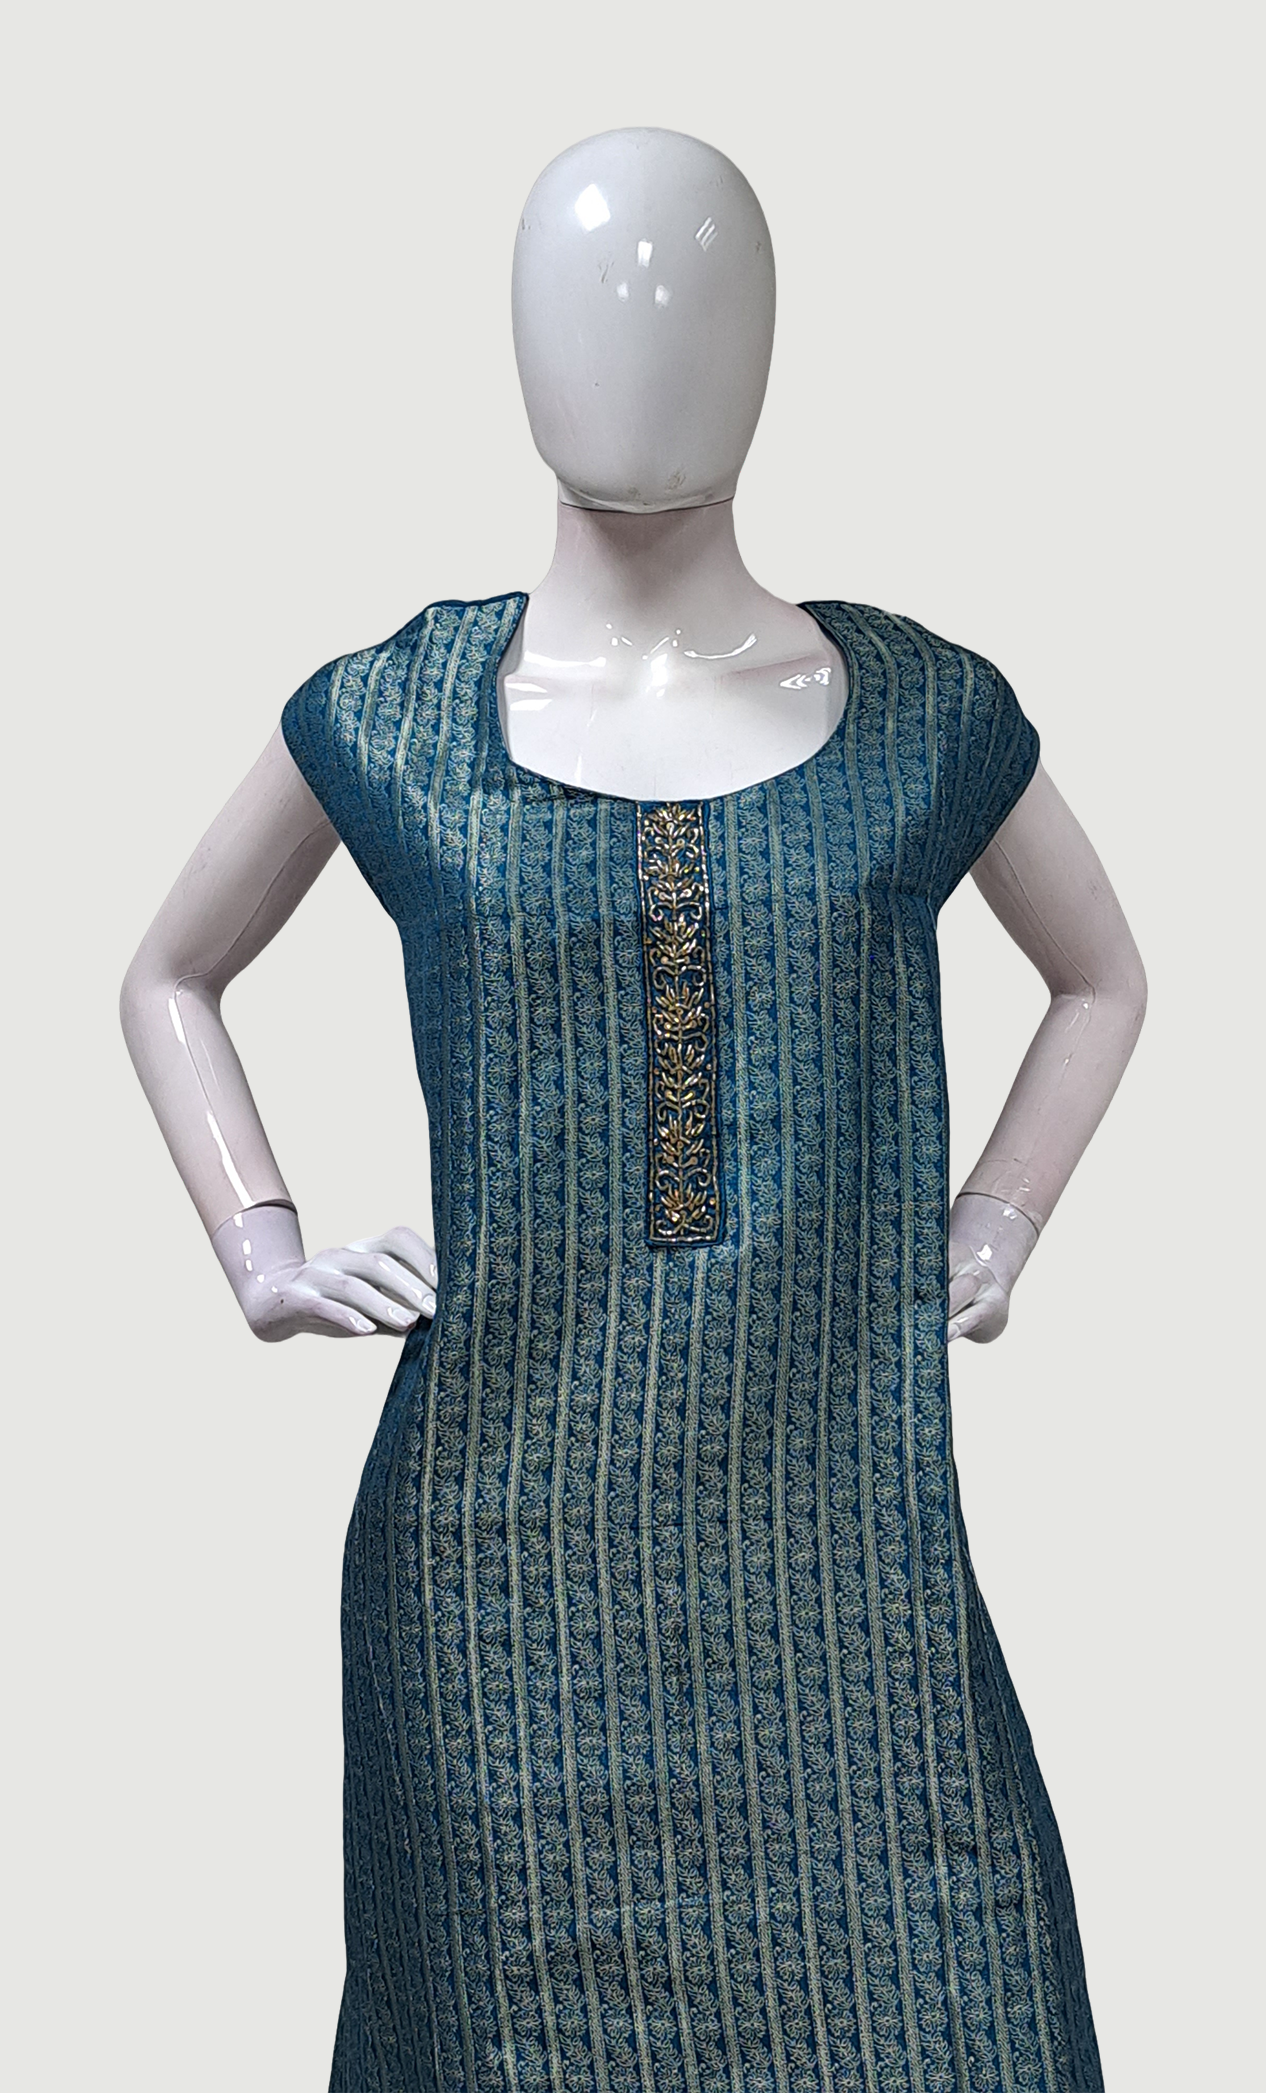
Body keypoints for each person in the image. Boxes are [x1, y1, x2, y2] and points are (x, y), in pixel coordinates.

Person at [122, 126, 1144, 2093]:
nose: (640, 346)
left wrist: (999, 1216)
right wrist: (261, 1244)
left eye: (694, 301)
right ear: (514, 345)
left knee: (961, 2002)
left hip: (843, 1562)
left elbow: (1102, 975)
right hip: (499, 1579)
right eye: (585, 300)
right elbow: (169, 972)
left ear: (768, 347)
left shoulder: (925, 712)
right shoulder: (398, 714)